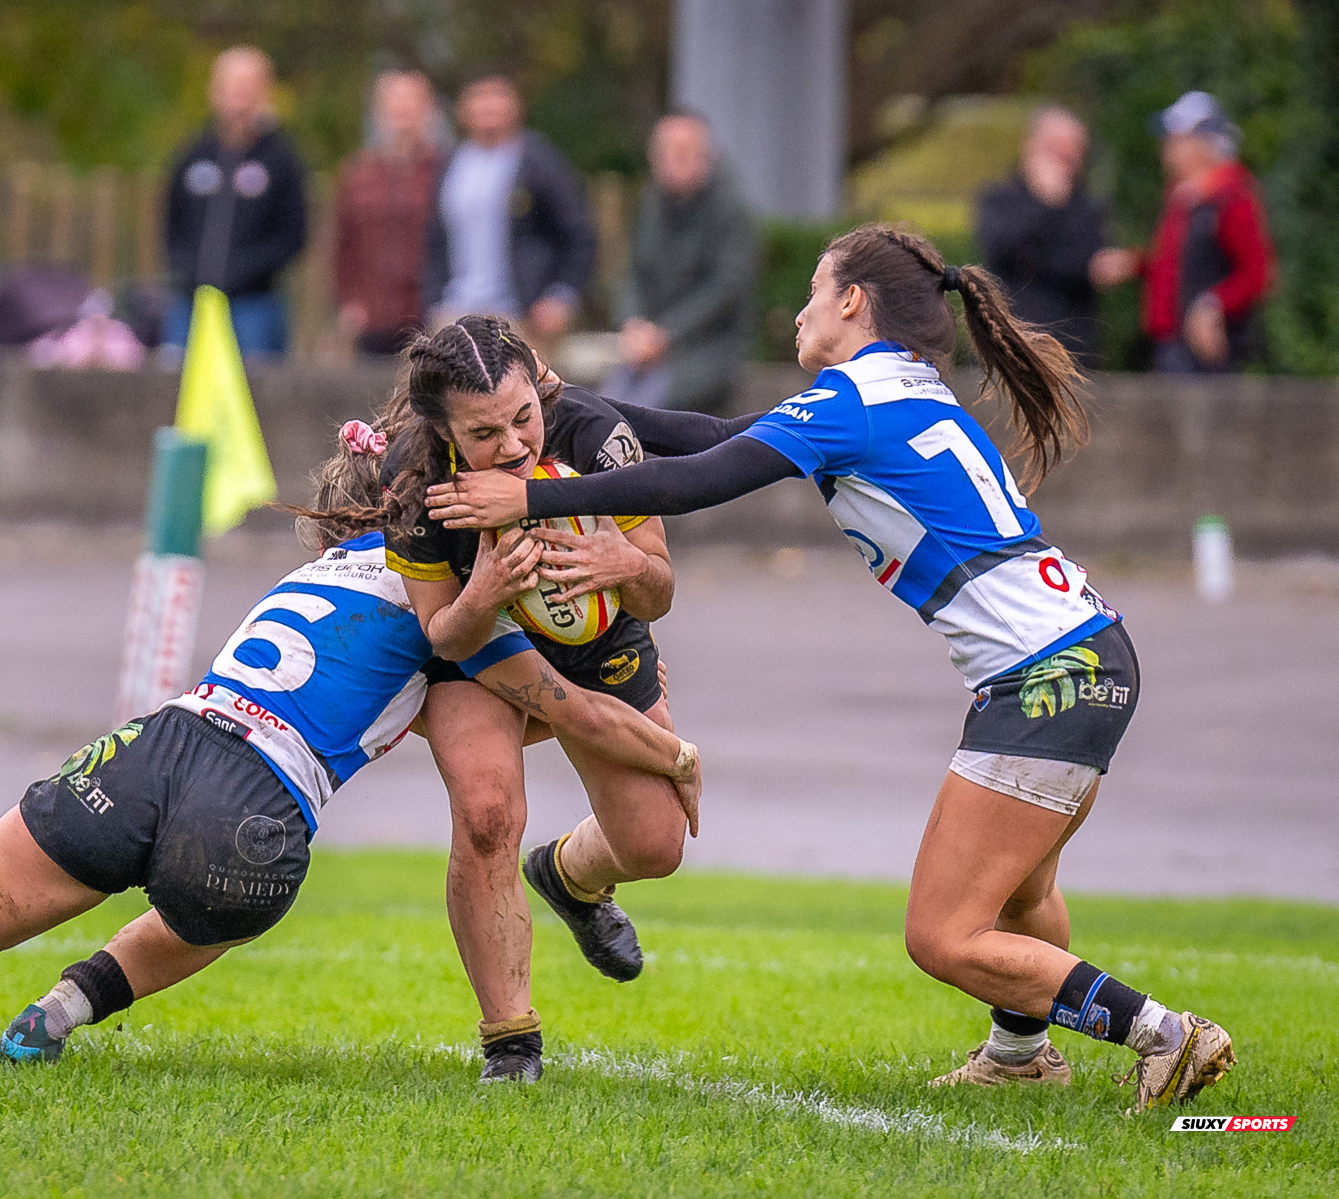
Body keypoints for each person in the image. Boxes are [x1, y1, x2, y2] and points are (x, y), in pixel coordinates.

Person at [0, 421, 702, 1076]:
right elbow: (557, 702)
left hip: (154, 745)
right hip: (255, 808)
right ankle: (71, 1003)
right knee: (222, 888)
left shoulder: (314, 572)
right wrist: (669, 750)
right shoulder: (452, 614)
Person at [424, 225, 1237, 1114]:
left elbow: (694, 480)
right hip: (1092, 651)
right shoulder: (896, 391)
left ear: (854, 302)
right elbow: (721, 434)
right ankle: (1020, 1053)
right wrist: (568, 402)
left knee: (942, 934)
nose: (802, 309)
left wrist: (532, 494)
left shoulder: (853, 401)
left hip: (1043, 676)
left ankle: (1166, 1032)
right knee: (1023, 887)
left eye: (815, 290)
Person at [379, 314, 689, 1084]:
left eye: (523, 417)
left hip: (595, 638)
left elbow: (659, 593)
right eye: (484, 433)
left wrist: (624, 560)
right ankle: (510, 1040)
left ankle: (569, 874)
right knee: (486, 812)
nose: (514, 444)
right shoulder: (414, 481)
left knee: (655, 846)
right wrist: (484, 592)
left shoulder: (595, 435)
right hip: (476, 641)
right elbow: (444, 634)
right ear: (443, 429)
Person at [1089, 91, 1275, 373]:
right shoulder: (1182, 197)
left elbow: (1257, 274)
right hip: (1170, 345)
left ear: (1201, 143)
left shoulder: (1231, 197)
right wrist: (1133, 264)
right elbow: (1176, 263)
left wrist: (1213, 304)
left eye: (1175, 139)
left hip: (1208, 352)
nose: (1166, 147)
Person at [423, 73, 596, 357]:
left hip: (521, 318)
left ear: (516, 105)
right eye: (478, 97)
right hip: (456, 315)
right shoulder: (450, 164)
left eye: (497, 96)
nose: (488, 106)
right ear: (463, 108)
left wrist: (561, 296)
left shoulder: (538, 161)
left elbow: (578, 234)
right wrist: (435, 302)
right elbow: (435, 241)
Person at [601, 109, 754, 414]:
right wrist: (633, 324)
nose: (674, 160)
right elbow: (631, 274)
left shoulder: (731, 211)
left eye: (685, 152)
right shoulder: (649, 204)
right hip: (646, 347)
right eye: (665, 152)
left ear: (706, 156)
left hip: (708, 350)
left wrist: (666, 335)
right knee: (602, 406)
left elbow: (725, 289)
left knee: (645, 413)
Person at [162, 46, 308, 357]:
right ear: (214, 90)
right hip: (190, 303)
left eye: (247, 85)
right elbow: (170, 223)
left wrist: (244, 270)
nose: (238, 95)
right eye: (231, 84)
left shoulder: (280, 160)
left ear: (264, 91)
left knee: (258, 394)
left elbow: (293, 235)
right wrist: (187, 269)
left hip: (255, 305)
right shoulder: (193, 154)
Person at [975, 106, 1107, 365]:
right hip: (1009, 343)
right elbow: (999, 247)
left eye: (1074, 147)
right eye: (1056, 145)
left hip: (1072, 350)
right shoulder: (999, 199)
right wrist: (1043, 204)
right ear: (1031, 146)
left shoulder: (1087, 208)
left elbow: (1083, 265)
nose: (1065, 155)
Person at [334, 70, 444, 356]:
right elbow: (343, 245)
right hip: (372, 317)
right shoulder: (358, 173)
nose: (402, 111)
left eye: (411, 103)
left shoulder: (445, 170)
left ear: (428, 110)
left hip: (428, 315)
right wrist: (349, 300)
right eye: (394, 103)